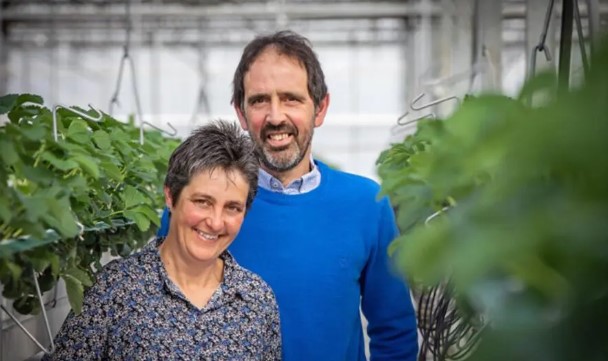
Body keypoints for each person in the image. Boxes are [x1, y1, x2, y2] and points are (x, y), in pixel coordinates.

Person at [159, 30, 418, 360]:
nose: (276, 116)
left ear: (320, 108)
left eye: (291, 98)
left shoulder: (367, 204)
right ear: (240, 112)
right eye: (259, 100)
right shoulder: (201, 210)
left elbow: (394, 331)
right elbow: (162, 317)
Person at [44, 120, 281, 360]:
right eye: (202, 202)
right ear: (170, 196)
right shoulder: (115, 290)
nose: (216, 222)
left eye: (232, 208)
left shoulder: (257, 299)